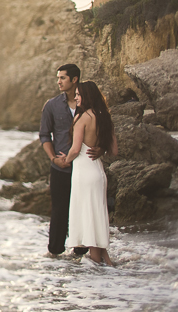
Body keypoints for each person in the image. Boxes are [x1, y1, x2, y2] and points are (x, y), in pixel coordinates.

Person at [61, 80, 118, 265]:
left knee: (89, 219)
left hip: (84, 173)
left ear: (87, 96)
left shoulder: (82, 118)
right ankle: (106, 262)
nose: (76, 97)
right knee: (96, 216)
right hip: (98, 172)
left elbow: (76, 149)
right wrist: (100, 148)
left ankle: (96, 273)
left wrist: (64, 160)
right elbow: (114, 150)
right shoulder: (104, 117)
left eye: (78, 94)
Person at [39, 64, 92, 258]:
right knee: (59, 209)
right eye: (58, 78)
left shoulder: (87, 103)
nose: (58, 81)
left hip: (84, 165)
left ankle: (81, 251)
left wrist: (100, 149)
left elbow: (100, 129)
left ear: (74, 79)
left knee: (83, 208)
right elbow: (44, 135)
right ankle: (55, 253)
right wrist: (54, 158)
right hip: (60, 167)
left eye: (62, 78)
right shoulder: (51, 105)